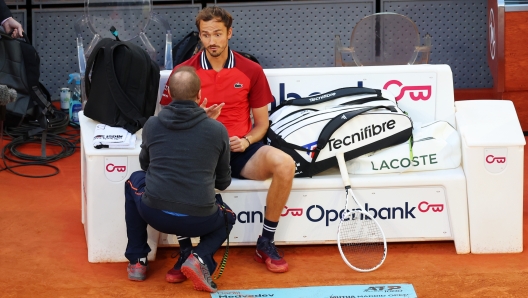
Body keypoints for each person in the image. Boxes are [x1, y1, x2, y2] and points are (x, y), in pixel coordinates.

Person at [161, 6, 295, 273]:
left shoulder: (251, 70)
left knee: (285, 164)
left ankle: (265, 242)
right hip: (199, 154)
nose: (212, 41)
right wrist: (198, 120)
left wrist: (246, 141)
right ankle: (186, 250)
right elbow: (169, 122)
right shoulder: (184, 72)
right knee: (168, 169)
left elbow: (262, 125)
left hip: (241, 150)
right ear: (199, 36)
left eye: (218, 34)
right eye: (205, 35)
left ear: (229, 33)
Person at [124, 66, 234, 293]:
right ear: (199, 95)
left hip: (155, 214)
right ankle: (199, 257)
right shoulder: (217, 130)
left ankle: (137, 261)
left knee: (133, 181)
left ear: (170, 95)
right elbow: (223, 183)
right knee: (228, 217)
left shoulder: (152, 125)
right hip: (200, 219)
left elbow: (146, 166)